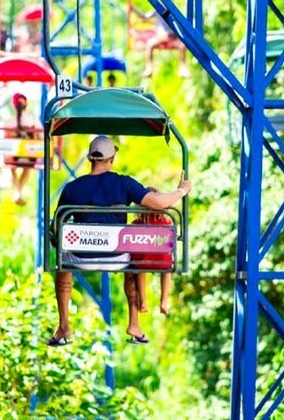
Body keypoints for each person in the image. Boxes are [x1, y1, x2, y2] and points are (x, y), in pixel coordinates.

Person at [48, 136, 192, 347]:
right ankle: (134, 323)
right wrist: (182, 190)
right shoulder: (124, 183)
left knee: (62, 263)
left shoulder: (72, 188)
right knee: (132, 262)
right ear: (111, 159)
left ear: (90, 159)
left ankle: (64, 324)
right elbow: (159, 203)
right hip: (117, 257)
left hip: (79, 257)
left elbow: (57, 224)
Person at [131, 187, 174, 315]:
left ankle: (143, 301)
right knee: (167, 270)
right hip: (163, 262)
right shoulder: (167, 221)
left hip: (144, 261)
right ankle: (164, 301)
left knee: (140, 268)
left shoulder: (137, 223)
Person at [134, 9, 189, 78]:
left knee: (182, 45)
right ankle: (149, 68)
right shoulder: (157, 11)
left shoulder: (173, 11)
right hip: (161, 37)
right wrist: (134, 9)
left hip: (171, 37)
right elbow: (145, 16)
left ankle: (182, 67)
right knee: (150, 44)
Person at [4, 93, 36, 205]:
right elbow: (40, 134)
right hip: (29, 153)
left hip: (15, 154)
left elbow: (6, 136)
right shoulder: (32, 119)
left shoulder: (10, 121)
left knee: (11, 167)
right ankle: (19, 192)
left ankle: (17, 192)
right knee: (27, 168)